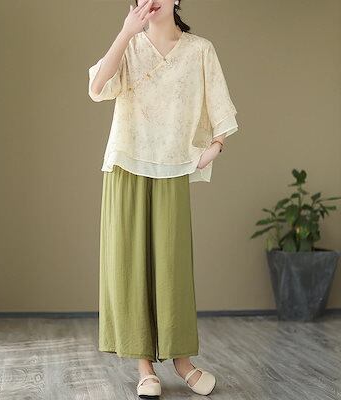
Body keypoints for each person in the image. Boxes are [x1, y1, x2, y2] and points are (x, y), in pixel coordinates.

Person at [88, 0, 239, 397]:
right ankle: (144, 368)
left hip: (172, 168)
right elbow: (97, 88)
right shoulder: (130, 46)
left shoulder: (199, 50)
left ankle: (182, 361)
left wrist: (215, 147)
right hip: (126, 166)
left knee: (172, 268)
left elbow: (221, 109)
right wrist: (125, 32)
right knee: (131, 266)